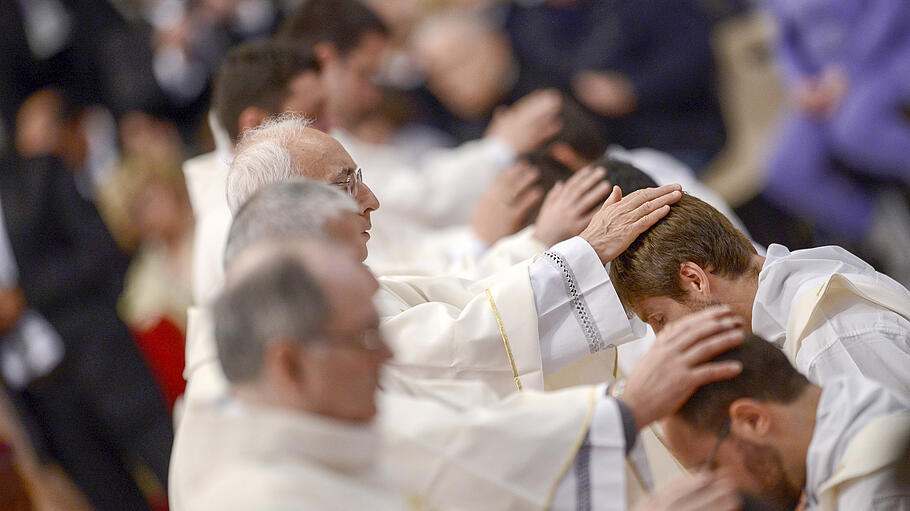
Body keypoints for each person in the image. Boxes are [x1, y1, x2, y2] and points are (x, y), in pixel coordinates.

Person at [175, 235, 747, 510]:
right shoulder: (269, 498)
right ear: (289, 362)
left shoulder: (314, 443)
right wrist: (625, 412)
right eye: (365, 337)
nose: (389, 357)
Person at [278, 0, 565, 230]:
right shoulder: (290, 140)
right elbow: (412, 199)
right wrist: (498, 149)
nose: (372, 94)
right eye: (364, 75)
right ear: (327, 60)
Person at [0, 154, 173, 511]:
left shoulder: (37, 174)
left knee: (179, 471)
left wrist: (24, 296)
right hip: (43, 402)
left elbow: (101, 252)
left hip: (103, 364)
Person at [609, 193, 910, 393]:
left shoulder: (828, 336)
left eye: (660, 320)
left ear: (694, 280)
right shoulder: (799, 292)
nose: (663, 340)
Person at [662, 335, 910, 511]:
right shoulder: (851, 401)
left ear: (752, 420)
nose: (719, 491)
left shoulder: (872, 491)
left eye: (711, 468)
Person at [762, 0, 910, 285]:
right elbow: (784, 40)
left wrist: (846, 69)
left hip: (887, 56)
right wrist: (799, 83)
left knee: (856, 132)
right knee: (785, 170)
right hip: (824, 82)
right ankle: (893, 241)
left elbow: (893, 11)